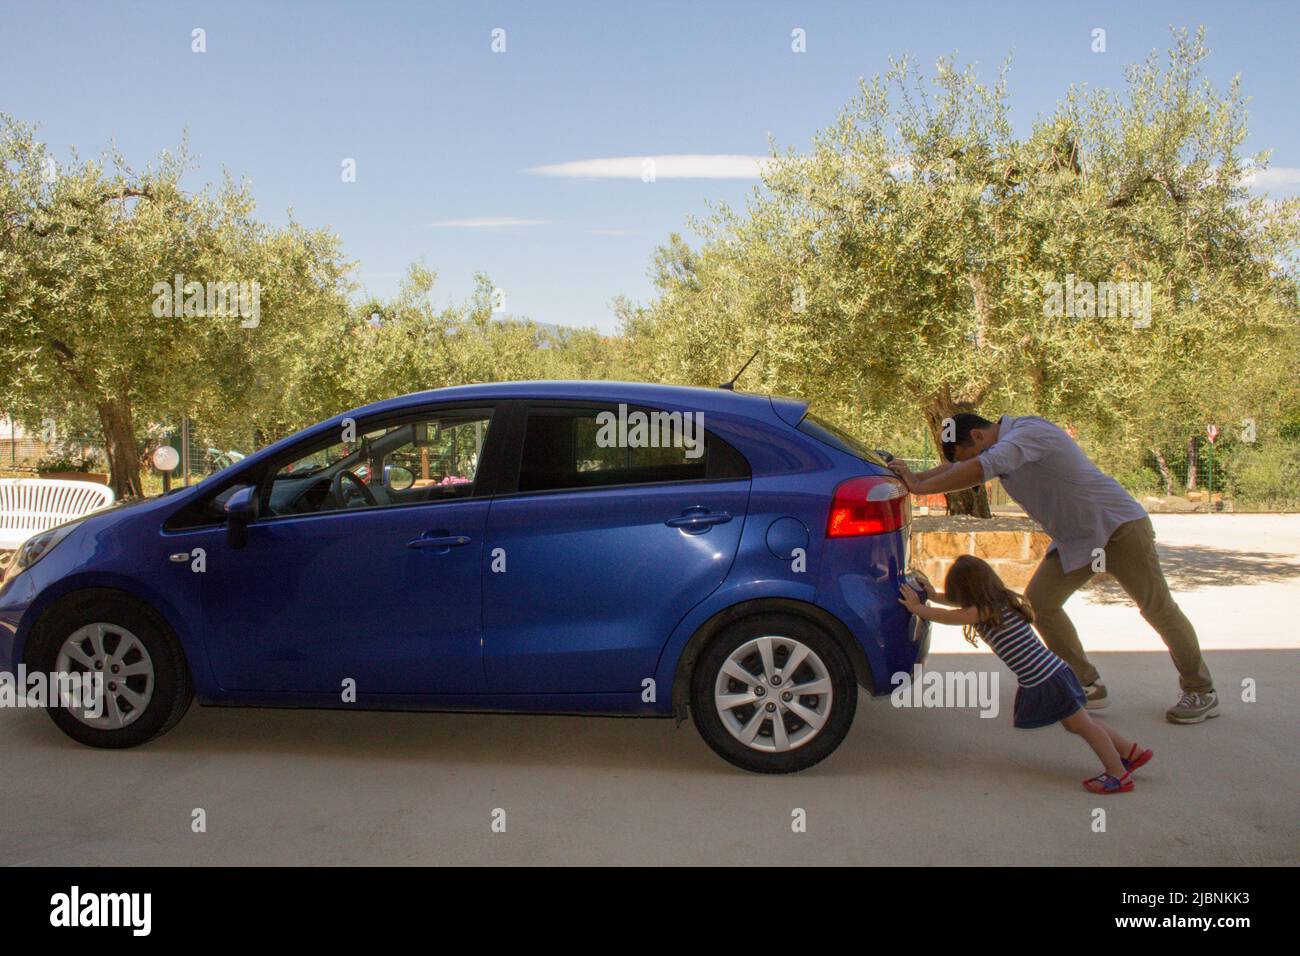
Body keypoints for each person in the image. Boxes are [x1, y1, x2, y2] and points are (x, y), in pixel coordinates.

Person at [888, 412, 1217, 724]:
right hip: (1076, 541)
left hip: (1118, 528)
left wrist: (919, 486)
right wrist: (914, 478)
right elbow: (963, 466)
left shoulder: (1028, 433)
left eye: (968, 453)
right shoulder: (998, 446)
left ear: (977, 434)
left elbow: (978, 468)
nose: (969, 463)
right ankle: (1088, 685)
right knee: (1040, 605)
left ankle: (1201, 690)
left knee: (1157, 609)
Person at [899, 557, 1153, 793]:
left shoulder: (982, 611)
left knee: (1082, 726)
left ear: (967, 591)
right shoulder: (997, 601)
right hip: (1053, 672)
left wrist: (916, 607)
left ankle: (1117, 773)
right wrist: (932, 595)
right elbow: (957, 606)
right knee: (1081, 722)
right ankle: (1132, 752)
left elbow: (949, 616)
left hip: (1046, 678)